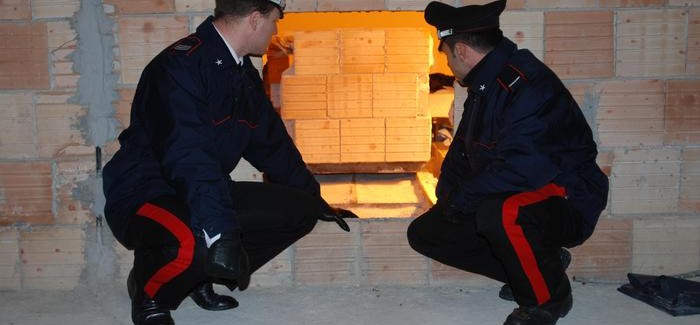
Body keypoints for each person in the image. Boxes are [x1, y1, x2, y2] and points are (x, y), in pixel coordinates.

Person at [102, 1, 357, 324]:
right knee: (197, 238)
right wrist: (220, 233)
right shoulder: (179, 67)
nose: (276, 30)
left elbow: (273, 145)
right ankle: (149, 290)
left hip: (201, 189)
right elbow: (188, 158)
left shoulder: (241, 74)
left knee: (299, 211)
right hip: (146, 192)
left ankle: (198, 277)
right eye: (275, 21)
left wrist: (316, 199)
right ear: (254, 19)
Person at [407, 1, 609, 325]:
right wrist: (448, 199)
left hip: (566, 197)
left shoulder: (528, 86)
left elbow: (523, 171)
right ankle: (542, 267)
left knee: (500, 211)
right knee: (428, 232)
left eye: (444, 53)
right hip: (521, 191)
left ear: (461, 50)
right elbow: (462, 151)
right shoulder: (485, 85)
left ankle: (547, 301)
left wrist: (464, 200)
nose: (446, 63)